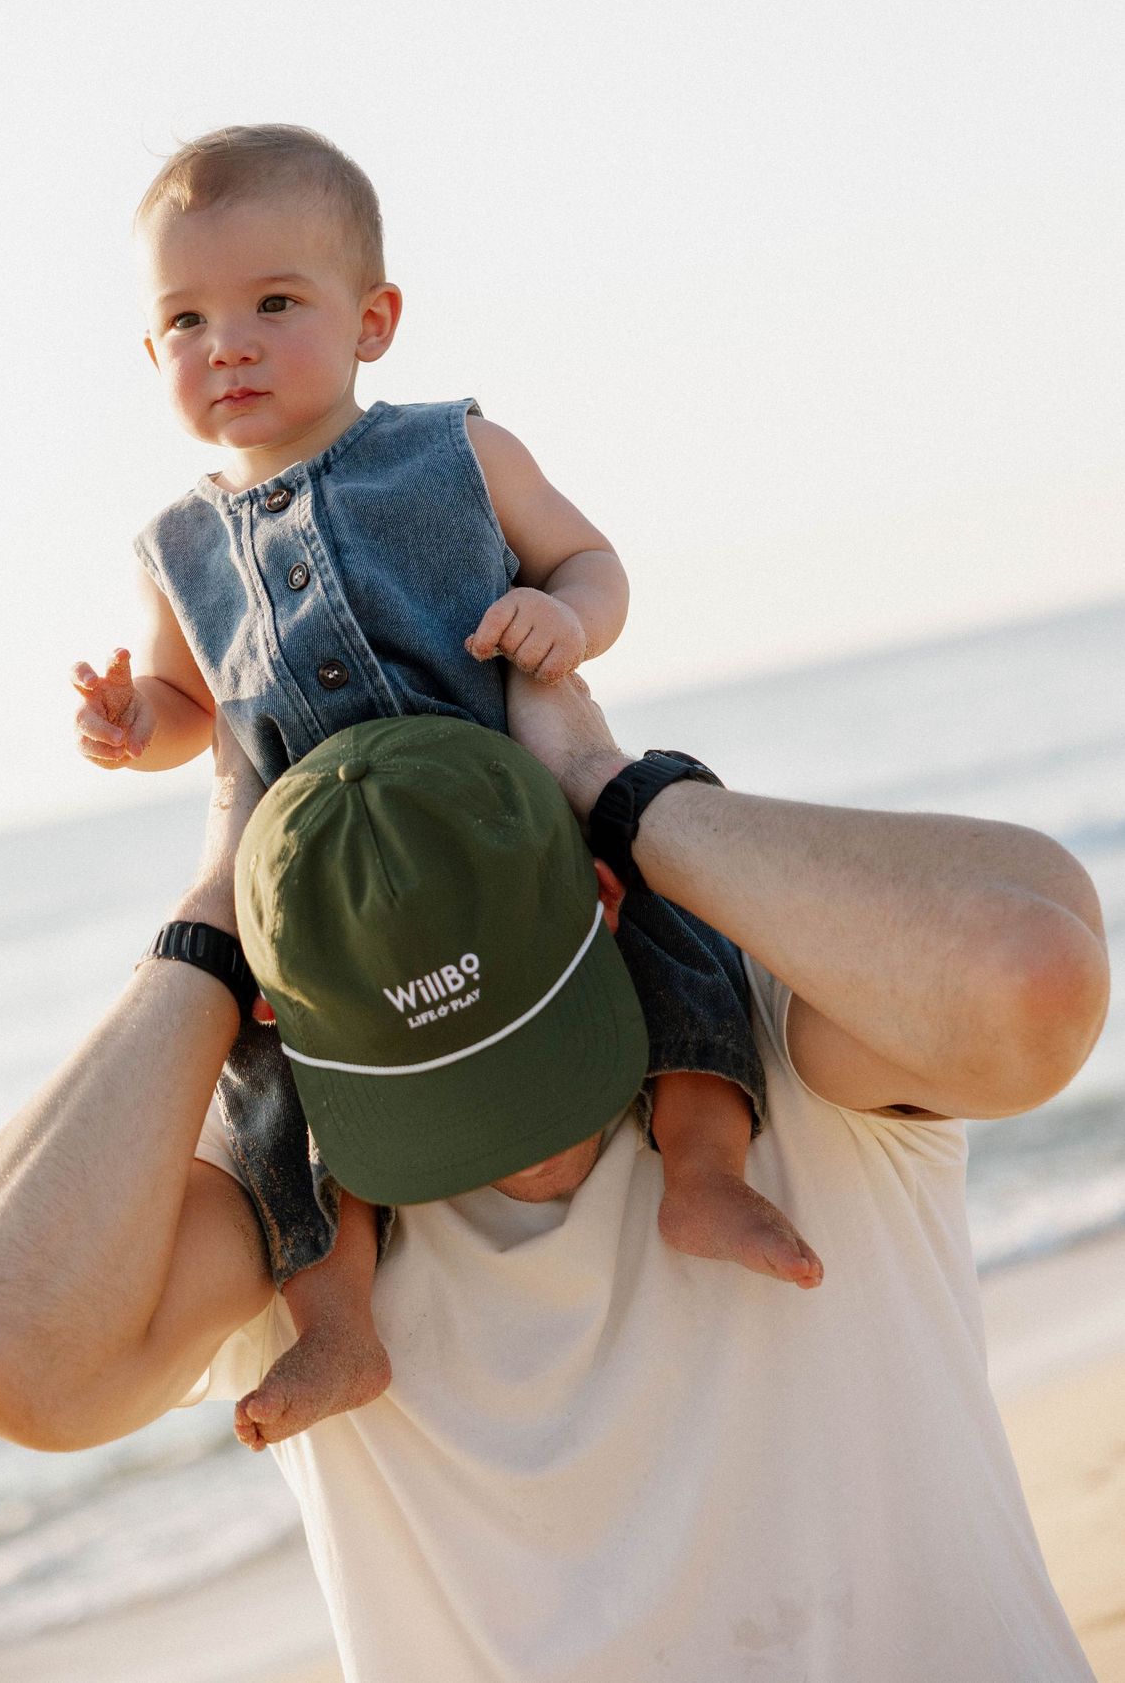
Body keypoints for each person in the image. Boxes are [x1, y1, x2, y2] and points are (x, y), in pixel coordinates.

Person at [0, 676, 1107, 1682]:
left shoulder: (777, 1042)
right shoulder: (300, 1223)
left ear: (602, 897)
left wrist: (611, 786)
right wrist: (213, 926)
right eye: (437, 1092)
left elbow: (1033, 972)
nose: (524, 1145)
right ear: (293, 1030)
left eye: (534, 1050)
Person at [71, 120, 813, 1444]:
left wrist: (566, 623)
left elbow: (590, 560)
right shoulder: (175, 545)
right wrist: (140, 722)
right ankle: (338, 1318)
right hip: (339, 900)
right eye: (186, 320)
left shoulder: (455, 451)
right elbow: (192, 702)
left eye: (273, 303)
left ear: (375, 319)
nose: (226, 343)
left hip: (519, 815)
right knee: (270, 1063)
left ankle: (706, 1159)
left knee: (671, 883)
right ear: (149, 356)